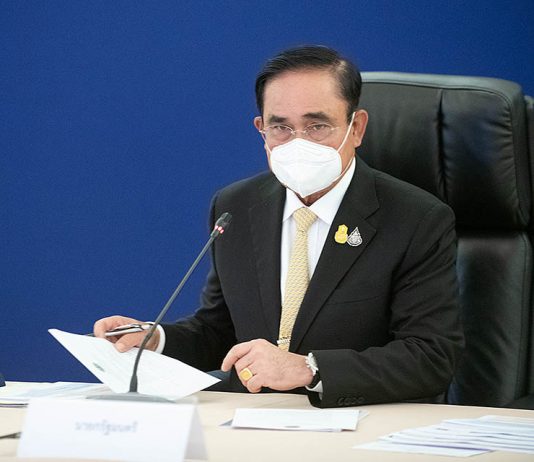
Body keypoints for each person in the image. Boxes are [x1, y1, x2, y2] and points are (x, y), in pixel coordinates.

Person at [94, 45, 463, 408]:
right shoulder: (235, 207)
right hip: (251, 420)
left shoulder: (417, 218)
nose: (298, 143)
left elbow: (431, 357)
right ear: (261, 130)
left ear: (356, 128)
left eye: (317, 126)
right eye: (281, 127)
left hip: (358, 421)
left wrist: (309, 369)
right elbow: (220, 331)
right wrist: (156, 339)